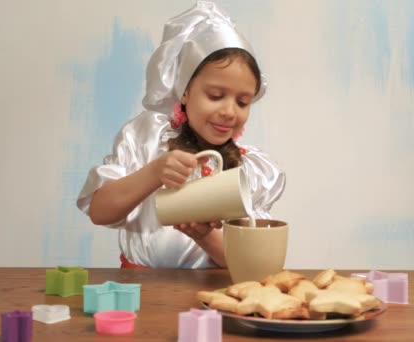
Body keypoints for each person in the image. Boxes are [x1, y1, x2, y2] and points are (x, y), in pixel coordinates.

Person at [76, 1, 285, 269]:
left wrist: (205, 236)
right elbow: (100, 212)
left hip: (210, 296)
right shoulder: (147, 137)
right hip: (141, 290)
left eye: (243, 102)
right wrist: (154, 172)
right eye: (216, 96)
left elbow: (247, 265)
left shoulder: (249, 171)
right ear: (185, 91)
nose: (230, 111)